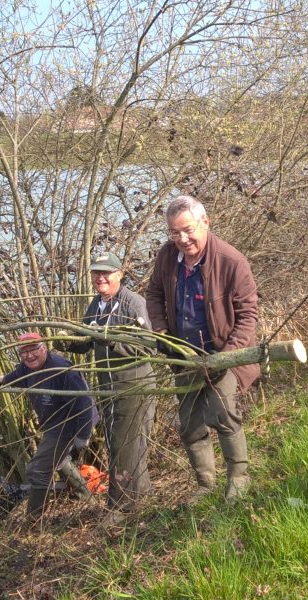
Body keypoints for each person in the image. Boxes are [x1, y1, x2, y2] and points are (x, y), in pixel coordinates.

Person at [146, 195, 260, 504]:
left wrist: (229, 355)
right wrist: (160, 331)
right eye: (174, 232)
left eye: (187, 230)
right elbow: (154, 293)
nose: (182, 239)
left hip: (220, 356)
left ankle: (238, 479)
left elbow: (248, 315)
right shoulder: (168, 256)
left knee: (224, 416)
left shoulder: (231, 261)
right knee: (190, 424)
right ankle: (205, 485)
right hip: (183, 358)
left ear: (205, 223)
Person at [63, 252, 154, 514]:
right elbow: (86, 341)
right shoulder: (97, 305)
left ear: (119, 274)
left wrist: (113, 341)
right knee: (120, 443)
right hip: (108, 387)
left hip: (133, 385)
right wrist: (65, 342)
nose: (100, 278)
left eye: (106, 273)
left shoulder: (133, 304)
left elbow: (149, 347)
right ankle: (141, 499)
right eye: (95, 273)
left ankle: (120, 506)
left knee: (126, 445)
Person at [0, 332, 98, 518]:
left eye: (33, 350)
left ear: (43, 348)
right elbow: (19, 374)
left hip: (71, 423)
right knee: (58, 459)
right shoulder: (28, 366)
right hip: (54, 423)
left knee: (37, 470)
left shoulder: (63, 370)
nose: (29, 356)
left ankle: (34, 519)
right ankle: (86, 498)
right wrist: (4, 380)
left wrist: (83, 435)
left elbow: (85, 403)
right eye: (24, 353)